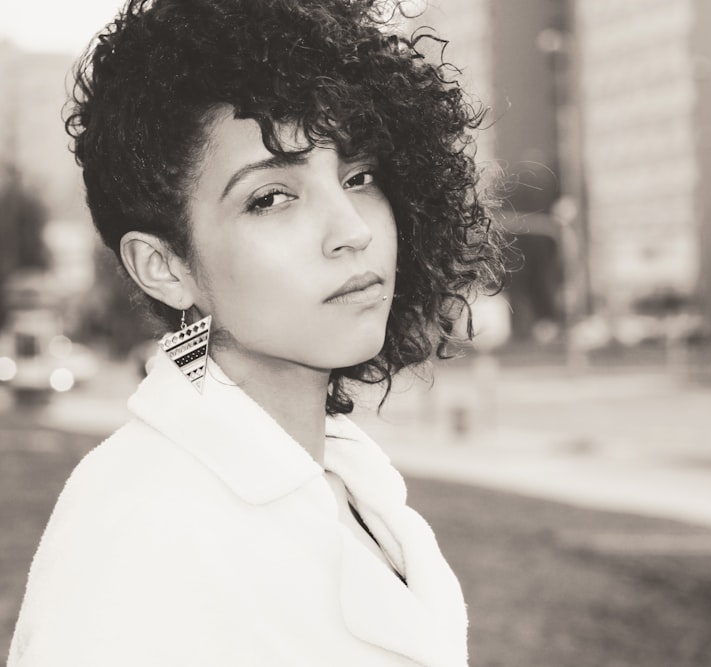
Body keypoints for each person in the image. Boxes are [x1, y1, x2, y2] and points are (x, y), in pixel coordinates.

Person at [8, 0, 503, 665]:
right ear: (165, 267)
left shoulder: (350, 478)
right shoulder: (137, 535)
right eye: (271, 196)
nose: (352, 230)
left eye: (359, 177)